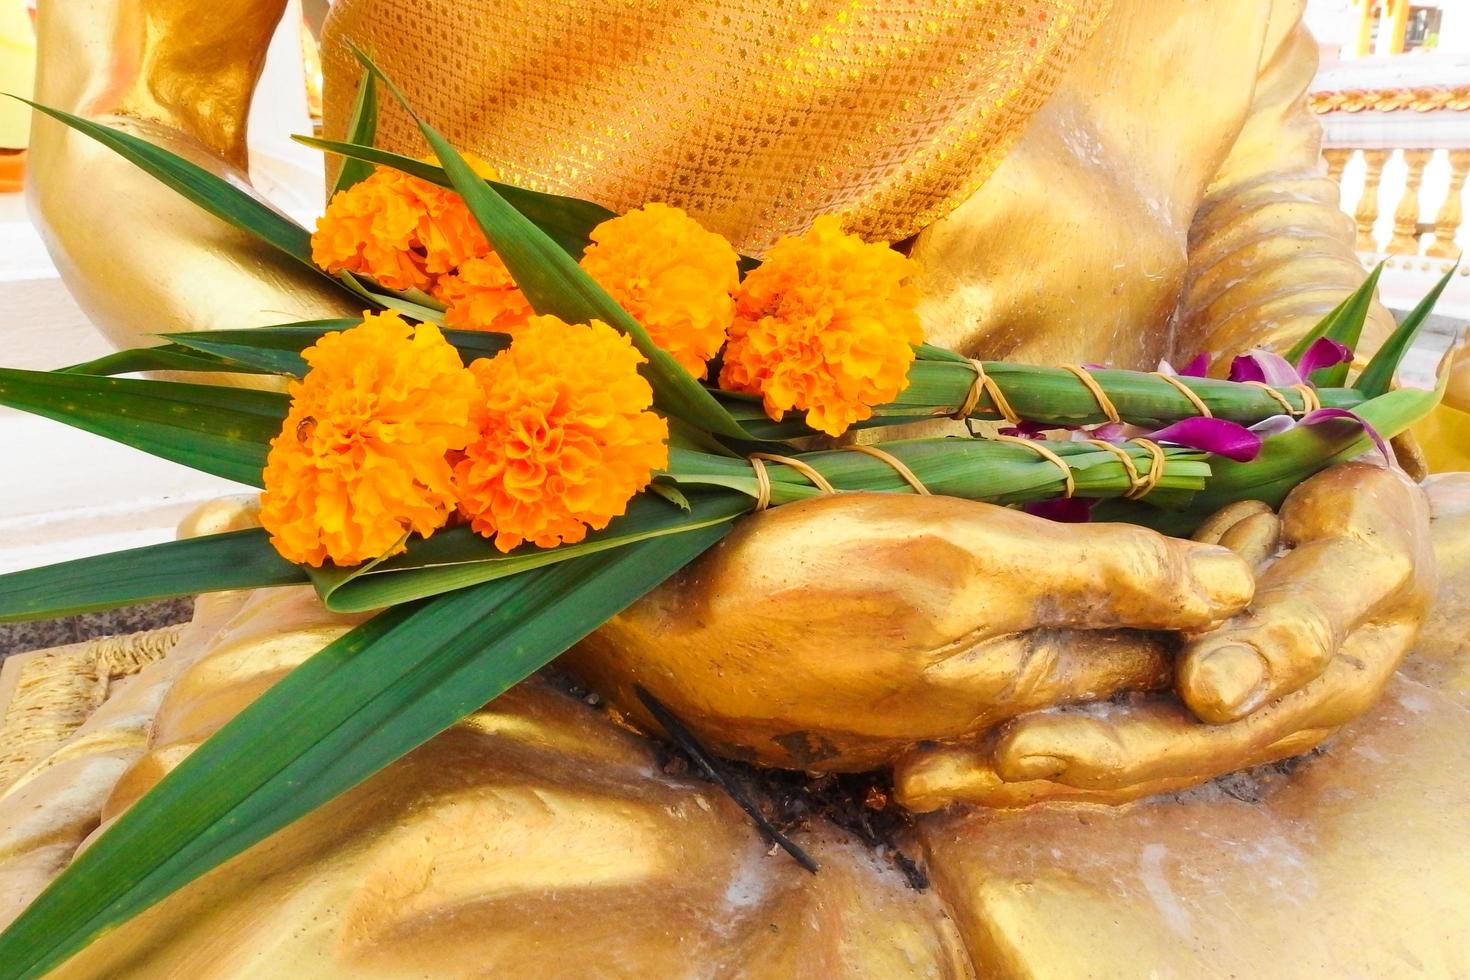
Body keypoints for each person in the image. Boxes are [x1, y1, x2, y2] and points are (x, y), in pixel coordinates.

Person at [6, 0, 1469, 974]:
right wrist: (605, 567)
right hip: (530, 603)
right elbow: (118, 119)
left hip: (1149, 572)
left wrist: (1338, 450)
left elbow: (1248, 181)